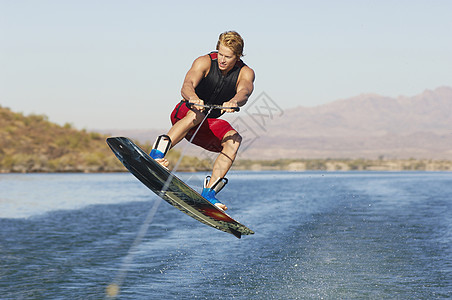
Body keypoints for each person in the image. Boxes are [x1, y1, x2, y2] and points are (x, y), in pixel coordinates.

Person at [150, 31, 255, 211]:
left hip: (206, 125)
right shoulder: (204, 62)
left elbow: (244, 91)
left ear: (237, 57)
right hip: (185, 113)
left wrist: (234, 101)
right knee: (198, 113)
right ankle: (157, 155)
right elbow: (187, 85)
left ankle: (209, 193)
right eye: (220, 54)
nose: (222, 59)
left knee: (234, 139)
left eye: (228, 57)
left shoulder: (245, 72)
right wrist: (193, 98)